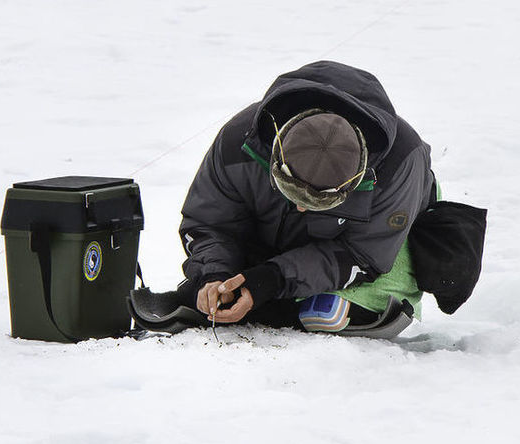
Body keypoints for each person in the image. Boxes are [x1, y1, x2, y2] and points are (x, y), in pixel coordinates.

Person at [173, 60, 440, 335]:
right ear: (276, 158)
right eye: (291, 191)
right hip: (276, 231)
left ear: (355, 181)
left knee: (358, 297)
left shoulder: (401, 164)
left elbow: (365, 254)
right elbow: (209, 223)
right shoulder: (238, 142)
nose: (301, 207)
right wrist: (214, 276)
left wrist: (272, 279)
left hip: (389, 230)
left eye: (319, 201)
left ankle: (356, 300)